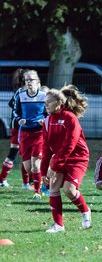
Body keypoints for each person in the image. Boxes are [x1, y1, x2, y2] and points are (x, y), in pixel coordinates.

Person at [41, 85, 91, 233]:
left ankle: (85, 211)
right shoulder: (47, 122)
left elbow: (69, 145)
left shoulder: (70, 118)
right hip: (61, 159)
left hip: (78, 158)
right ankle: (58, 225)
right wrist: (44, 172)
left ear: (59, 103)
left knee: (69, 190)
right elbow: (46, 149)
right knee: (54, 187)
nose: (46, 105)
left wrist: (54, 167)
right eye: (45, 103)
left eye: (49, 102)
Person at [13, 70, 47, 200]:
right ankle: (42, 182)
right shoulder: (20, 96)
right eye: (27, 80)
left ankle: (37, 192)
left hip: (39, 133)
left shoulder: (44, 96)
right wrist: (19, 119)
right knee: (28, 168)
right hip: (25, 134)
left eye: (31, 80)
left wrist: (44, 121)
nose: (29, 82)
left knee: (35, 166)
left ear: (38, 82)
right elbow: (15, 112)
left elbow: (49, 113)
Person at [0, 68, 33, 189]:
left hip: (19, 125)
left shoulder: (22, 91)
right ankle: (25, 183)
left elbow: (11, 103)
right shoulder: (23, 92)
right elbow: (12, 104)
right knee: (21, 153)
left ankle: (4, 179)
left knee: (21, 153)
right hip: (20, 126)